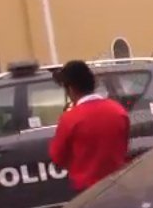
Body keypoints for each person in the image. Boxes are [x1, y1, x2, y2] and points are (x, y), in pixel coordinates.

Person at [49, 60, 130, 192]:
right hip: (117, 186)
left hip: (87, 191)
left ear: (71, 89)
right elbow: (124, 146)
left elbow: (57, 156)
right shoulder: (118, 110)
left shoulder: (69, 119)